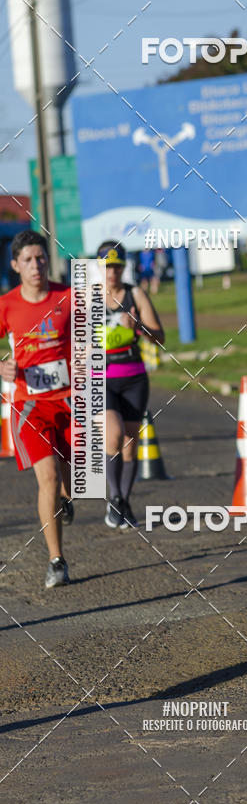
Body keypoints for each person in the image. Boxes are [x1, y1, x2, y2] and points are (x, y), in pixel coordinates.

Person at [0, 230, 74, 588]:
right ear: (15, 265)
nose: (36, 265)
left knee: (71, 479)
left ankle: (67, 496)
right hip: (29, 405)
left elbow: (91, 341)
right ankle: (56, 561)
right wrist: (2, 365)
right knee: (48, 477)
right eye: (28, 260)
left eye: (41, 258)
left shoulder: (68, 297)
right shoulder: (7, 305)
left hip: (70, 401)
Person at [97, 241, 164, 529]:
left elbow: (160, 337)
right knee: (113, 435)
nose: (112, 272)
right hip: (101, 378)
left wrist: (138, 326)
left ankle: (123, 503)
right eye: (107, 266)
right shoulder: (88, 297)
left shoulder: (135, 294)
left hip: (134, 377)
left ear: (124, 267)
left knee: (129, 445)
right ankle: (115, 498)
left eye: (117, 266)